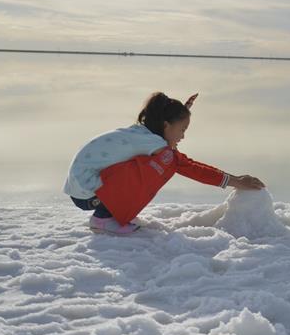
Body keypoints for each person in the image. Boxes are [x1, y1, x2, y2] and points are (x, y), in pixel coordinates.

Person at [63, 92, 264, 235]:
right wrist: (234, 181)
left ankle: (108, 212)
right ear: (166, 125)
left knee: (160, 162)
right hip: (87, 194)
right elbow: (186, 166)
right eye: (182, 129)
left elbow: (174, 146)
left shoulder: (141, 134)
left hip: (79, 188)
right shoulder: (155, 144)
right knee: (165, 164)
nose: (183, 136)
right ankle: (103, 218)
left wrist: (181, 113)